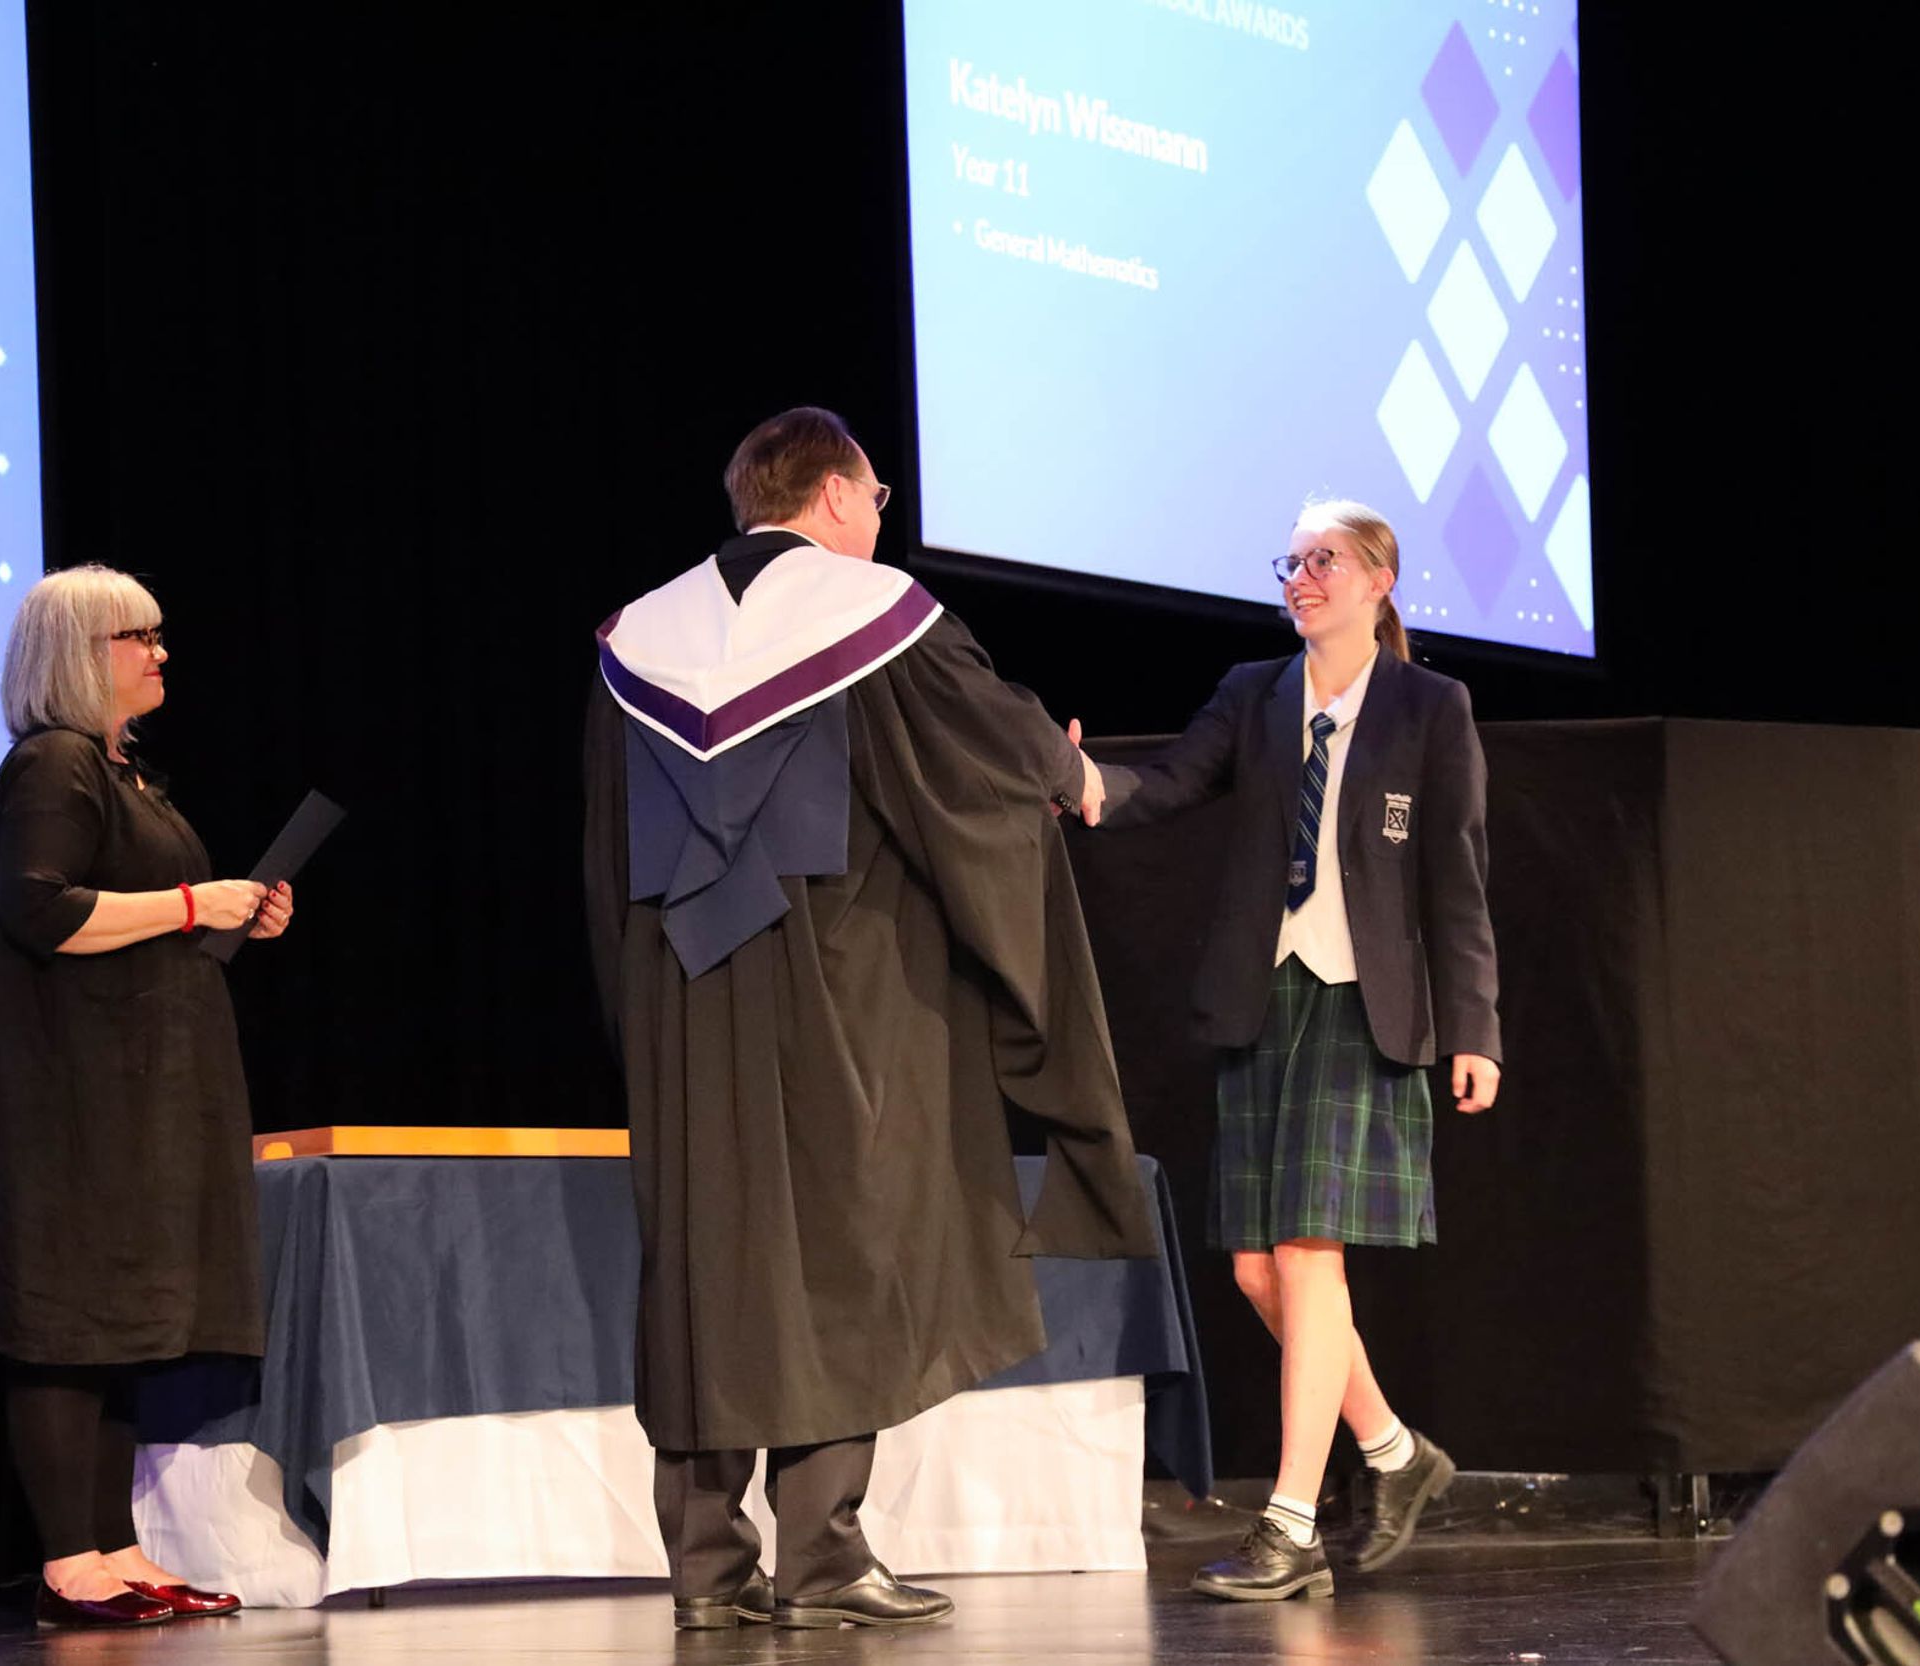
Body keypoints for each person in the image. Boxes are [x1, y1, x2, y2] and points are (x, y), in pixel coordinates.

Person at [583, 406, 1159, 1632]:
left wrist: (635, 1014)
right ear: (838, 496)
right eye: (878, 496)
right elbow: (981, 743)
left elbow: (602, 853)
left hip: (683, 991)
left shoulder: (639, 638)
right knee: (840, 1238)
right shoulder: (871, 615)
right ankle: (823, 1556)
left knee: (705, 1254)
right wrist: (1076, 779)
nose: (880, 519)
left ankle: (706, 1571)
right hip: (836, 983)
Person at [1085, 499, 1501, 1601]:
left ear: (1379, 580)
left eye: (1325, 561)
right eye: (1293, 561)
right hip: (1263, 998)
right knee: (1257, 1270)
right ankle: (1394, 1453)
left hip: (1366, 1005)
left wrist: (1475, 1030)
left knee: (1310, 1258)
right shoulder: (1253, 694)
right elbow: (1168, 782)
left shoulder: (1429, 705)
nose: (1301, 578)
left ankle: (1290, 1522)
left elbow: (1456, 879)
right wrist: (1084, 786)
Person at [0, 565, 295, 1629]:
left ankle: (118, 1547)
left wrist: (234, 916)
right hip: (69, 1107)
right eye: (139, 637)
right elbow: (39, 910)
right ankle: (68, 1563)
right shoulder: (53, 765)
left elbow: (149, 922)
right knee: (64, 1325)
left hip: (139, 1101)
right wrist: (189, 903)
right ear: (79, 655)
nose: (160, 652)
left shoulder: (127, 772)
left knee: (122, 1328)